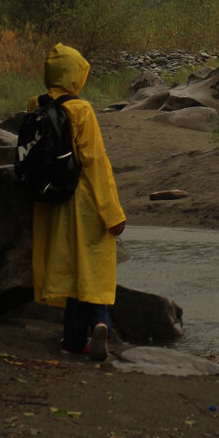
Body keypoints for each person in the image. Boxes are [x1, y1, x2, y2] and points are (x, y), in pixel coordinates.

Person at [29, 43, 126, 361]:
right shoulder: (81, 110)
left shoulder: (35, 105)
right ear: (75, 75)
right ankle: (101, 322)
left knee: (71, 270)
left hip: (51, 201)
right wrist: (112, 212)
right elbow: (96, 163)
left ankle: (73, 340)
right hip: (83, 201)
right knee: (95, 266)